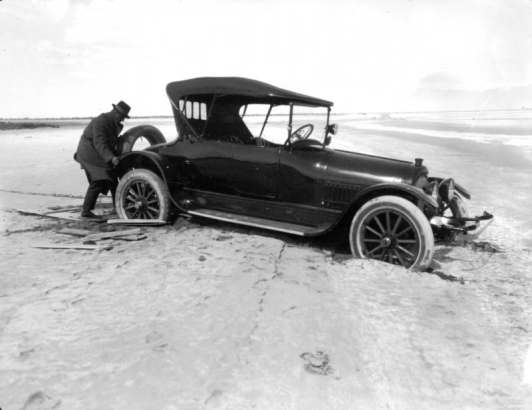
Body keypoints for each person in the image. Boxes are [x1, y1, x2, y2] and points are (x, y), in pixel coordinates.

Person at [75, 101, 131, 218]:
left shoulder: (113, 122)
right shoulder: (101, 121)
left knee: (113, 175)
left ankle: (118, 205)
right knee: (99, 178)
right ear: (115, 112)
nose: (122, 120)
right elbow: (100, 143)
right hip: (88, 151)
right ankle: (86, 211)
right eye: (122, 117)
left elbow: (109, 142)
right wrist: (111, 158)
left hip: (97, 150)